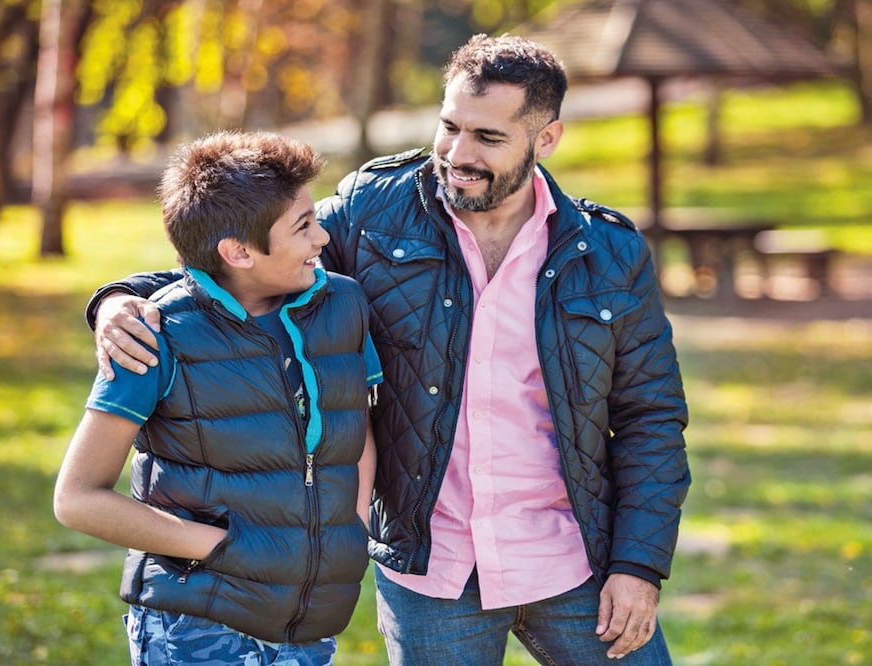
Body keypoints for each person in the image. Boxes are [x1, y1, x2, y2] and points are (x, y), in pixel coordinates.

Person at [86, 34, 690, 664]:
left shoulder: (610, 253)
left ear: (546, 140)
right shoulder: (374, 209)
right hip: (431, 569)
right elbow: (248, 257)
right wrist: (119, 297)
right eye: (449, 126)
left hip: (574, 563)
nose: (457, 154)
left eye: (488, 137)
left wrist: (638, 565)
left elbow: (650, 418)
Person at [55, 130, 383, 665]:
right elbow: (77, 498)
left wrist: (353, 524)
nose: (322, 238)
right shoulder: (154, 334)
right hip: (196, 625)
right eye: (303, 226)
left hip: (310, 626)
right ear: (238, 251)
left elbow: (354, 425)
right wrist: (219, 547)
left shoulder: (343, 305)